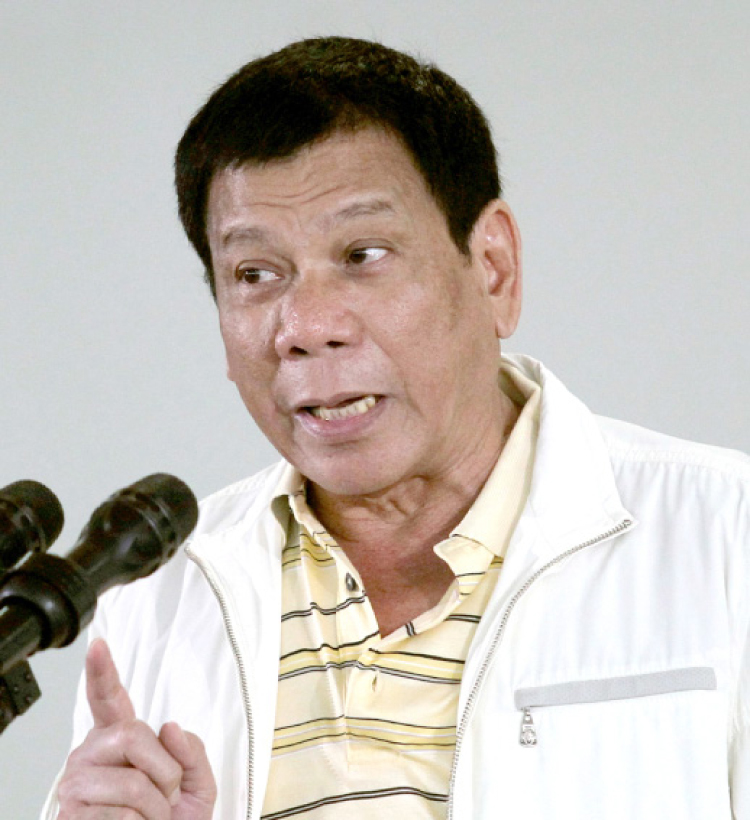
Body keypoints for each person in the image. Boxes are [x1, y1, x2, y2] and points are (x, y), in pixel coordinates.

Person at [45, 37, 748, 820]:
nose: (307, 327)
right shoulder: (159, 594)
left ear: (493, 269)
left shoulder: (727, 536)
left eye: (363, 254)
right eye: (254, 275)